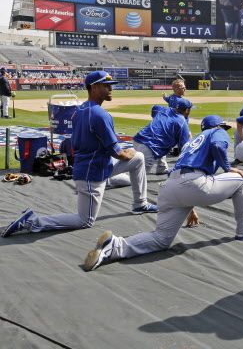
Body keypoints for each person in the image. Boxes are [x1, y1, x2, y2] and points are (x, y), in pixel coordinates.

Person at [82, 115, 243, 271]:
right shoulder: (216, 132)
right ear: (218, 126)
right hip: (193, 183)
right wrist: (229, 168)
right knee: (241, 179)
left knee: (161, 239)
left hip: (170, 187)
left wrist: (189, 207)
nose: (226, 130)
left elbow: (181, 180)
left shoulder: (192, 143)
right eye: (224, 127)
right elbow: (217, 145)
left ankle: (114, 246)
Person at [1, 71, 157, 238]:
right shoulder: (100, 115)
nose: (111, 89)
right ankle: (33, 221)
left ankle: (140, 204)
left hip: (95, 164)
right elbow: (118, 153)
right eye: (106, 85)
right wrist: (130, 151)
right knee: (85, 220)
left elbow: (77, 143)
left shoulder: (79, 110)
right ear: (94, 88)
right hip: (91, 173)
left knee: (139, 158)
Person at [133, 98, 192, 175]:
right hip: (149, 149)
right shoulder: (182, 122)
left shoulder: (162, 110)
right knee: (137, 178)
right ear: (187, 110)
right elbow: (183, 148)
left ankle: (162, 167)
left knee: (164, 139)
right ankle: (114, 179)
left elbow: (154, 108)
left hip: (137, 140)